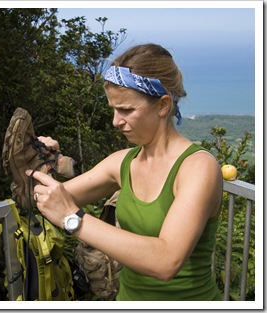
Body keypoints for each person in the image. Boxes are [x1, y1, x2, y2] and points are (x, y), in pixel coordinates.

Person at [27, 43, 223, 301]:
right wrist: (43, 161)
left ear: (163, 105)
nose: (115, 121)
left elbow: (166, 261)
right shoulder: (122, 163)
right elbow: (48, 199)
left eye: (127, 110)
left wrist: (74, 219)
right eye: (114, 109)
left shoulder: (198, 168)